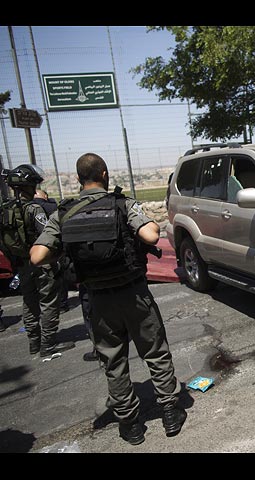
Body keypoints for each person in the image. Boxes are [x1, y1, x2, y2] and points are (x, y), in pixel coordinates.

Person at [30, 153, 186, 446]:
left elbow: (37, 255)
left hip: (98, 300)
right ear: (104, 174)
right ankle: (170, 412)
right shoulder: (122, 204)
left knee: (113, 362)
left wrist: (66, 248)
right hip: (134, 294)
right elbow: (151, 236)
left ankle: (130, 425)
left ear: (79, 179)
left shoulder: (63, 213)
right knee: (155, 352)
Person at [3, 165, 74, 358]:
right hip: (42, 264)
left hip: (21, 264)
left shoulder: (5, 210)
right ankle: (48, 344)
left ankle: (34, 342)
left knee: (29, 302)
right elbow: (48, 234)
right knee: (49, 303)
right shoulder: (34, 209)